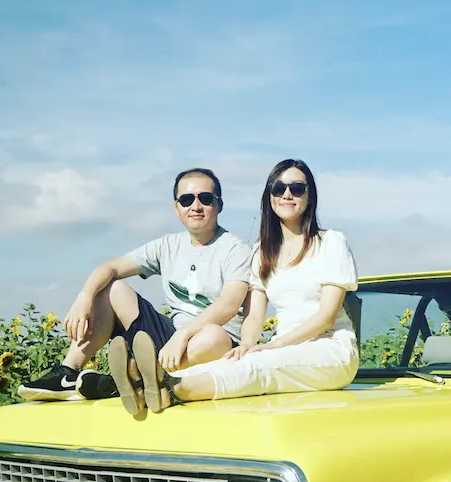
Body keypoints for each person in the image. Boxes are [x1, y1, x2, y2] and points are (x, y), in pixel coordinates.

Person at [110, 158, 360, 413]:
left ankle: (171, 390)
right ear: (269, 196)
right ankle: (147, 383)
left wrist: (272, 346)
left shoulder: (331, 242)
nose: (287, 194)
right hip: (281, 351)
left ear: (309, 196)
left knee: (258, 368)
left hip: (330, 352)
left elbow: (326, 317)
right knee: (232, 363)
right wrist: (247, 344)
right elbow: (253, 315)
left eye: (296, 188)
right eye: (278, 188)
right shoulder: (263, 252)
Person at [18, 168, 252, 406]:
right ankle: (68, 372)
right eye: (186, 199)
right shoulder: (168, 245)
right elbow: (110, 268)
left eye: (206, 198)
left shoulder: (235, 249)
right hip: (169, 340)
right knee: (113, 288)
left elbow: (229, 305)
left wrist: (184, 335)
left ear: (219, 205)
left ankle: (132, 381)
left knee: (213, 336)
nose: (196, 206)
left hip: (212, 345)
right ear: (176, 208)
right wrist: (85, 297)